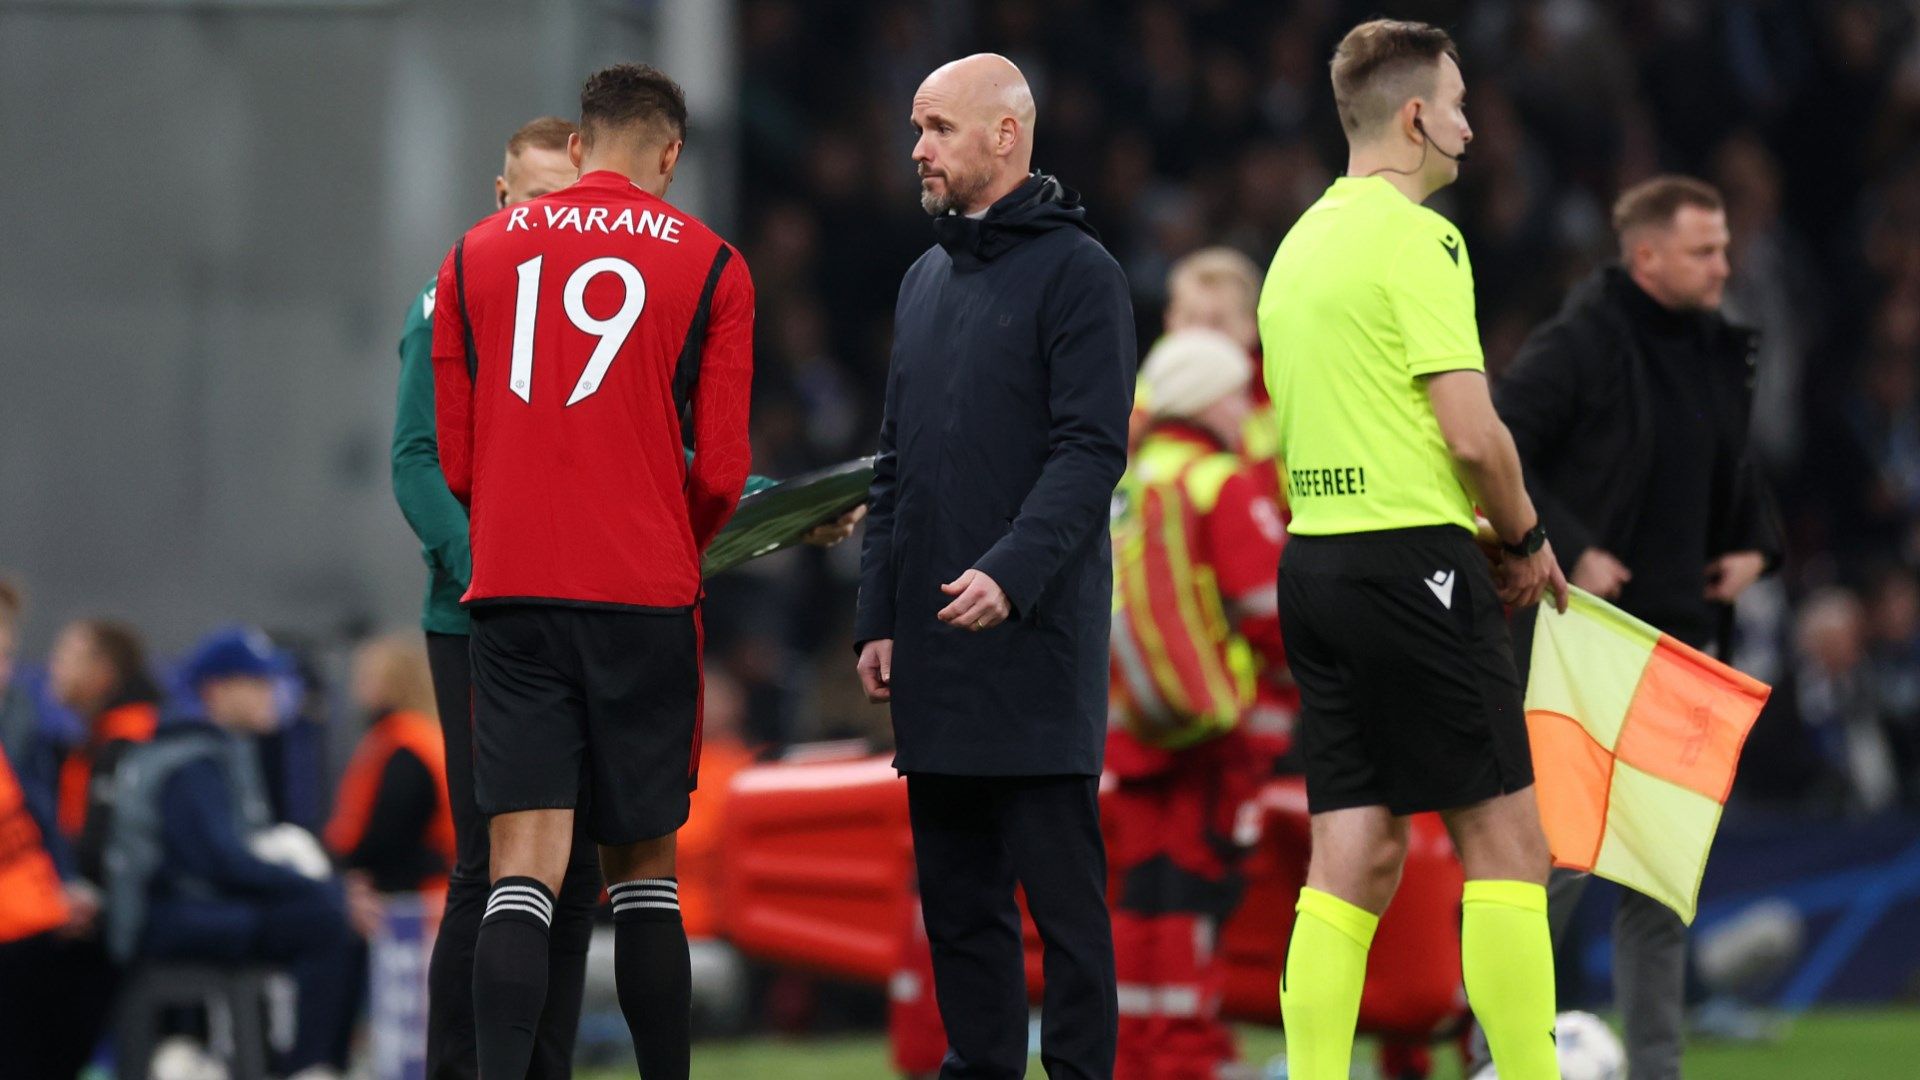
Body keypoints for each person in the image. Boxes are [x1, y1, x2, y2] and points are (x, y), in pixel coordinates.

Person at [1256, 20, 1567, 1080]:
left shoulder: (1298, 245)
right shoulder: (1419, 239)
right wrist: (1523, 537)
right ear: (1417, 114)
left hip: (1316, 568)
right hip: (1412, 570)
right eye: (1463, 105)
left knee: (1356, 847)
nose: (1474, 130)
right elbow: (1474, 434)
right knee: (1510, 845)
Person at [433, 64, 754, 1080]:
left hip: (516, 590)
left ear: (578, 145)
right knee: (645, 878)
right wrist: (673, 531)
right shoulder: (713, 264)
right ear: (669, 155)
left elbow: (454, 458)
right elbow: (728, 469)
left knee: (518, 874)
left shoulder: (475, 253)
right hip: (643, 595)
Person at [854, 53, 1134, 1080]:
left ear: (1005, 135)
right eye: (916, 130)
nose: (916, 149)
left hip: (1034, 645)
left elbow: (1092, 449)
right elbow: (897, 464)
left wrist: (1012, 574)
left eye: (935, 128)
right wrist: (877, 613)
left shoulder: (1081, 274)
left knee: (1063, 914)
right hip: (934, 647)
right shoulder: (924, 279)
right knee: (959, 913)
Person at [1491, 174, 1782, 1080]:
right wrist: (1564, 544)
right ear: (1646, 254)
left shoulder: (1713, 348)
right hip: (1595, 643)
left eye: (1724, 247)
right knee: (1556, 869)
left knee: (1660, 880)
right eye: (1704, 250)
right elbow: (1497, 436)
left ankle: (1655, 1068)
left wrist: (1755, 548)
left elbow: (1727, 469)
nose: (1723, 265)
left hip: (1681, 648)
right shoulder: (1583, 342)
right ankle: (1500, 1049)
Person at [393, 114, 608, 1080]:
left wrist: (773, 507)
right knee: (490, 863)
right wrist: (488, 566)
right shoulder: (451, 301)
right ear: (500, 197)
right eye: (533, 200)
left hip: (580, 611)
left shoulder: (597, 311)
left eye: (566, 202)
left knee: (575, 871)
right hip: (479, 615)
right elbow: (415, 462)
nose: (548, 220)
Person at [1106, 328, 1288, 1080]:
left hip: (1132, 722)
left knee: (1141, 893)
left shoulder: (1129, 478)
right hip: (1213, 726)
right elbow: (1270, 611)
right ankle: (1185, 1054)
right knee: (1196, 889)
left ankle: (1136, 1052)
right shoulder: (1220, 481)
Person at [119, 627, 361, 1080]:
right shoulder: (190, 760)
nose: (272, 695)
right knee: (325, 912)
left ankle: (305, 1059)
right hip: (173, 915)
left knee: (326, 907)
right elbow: (220, 863)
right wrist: (313, 884)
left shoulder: (220, 749)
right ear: (218, 689)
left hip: (200, 904)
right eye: (258, 683)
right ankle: (308, 1065)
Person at [0, 578, 116, 1080]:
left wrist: (62, 892)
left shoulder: (13, 738)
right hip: (17, 935)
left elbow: (35, 830)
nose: (3, 672)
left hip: (29, 924)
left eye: (6, 655)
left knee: (101, 953)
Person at [325, 633, 456, 935]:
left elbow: (394, 825)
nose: (357, 686)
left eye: (367, 676)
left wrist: (350, 873)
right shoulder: (421, 736)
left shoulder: (403, 745)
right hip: (428, 888)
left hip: (409, 896)